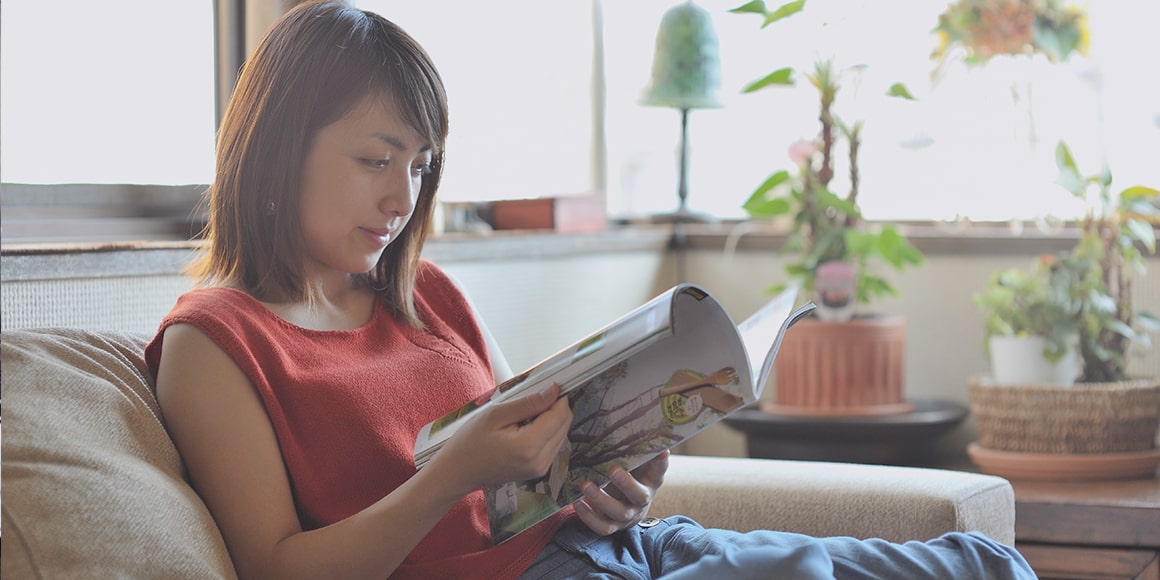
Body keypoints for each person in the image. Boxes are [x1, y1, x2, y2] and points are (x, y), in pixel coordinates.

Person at [145, 2, 1037, 578]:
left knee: (984, 566)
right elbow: (273, 571)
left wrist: (616, 477)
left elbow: (520, 480)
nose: (401, 197)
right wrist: (448, 476)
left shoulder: (428, 297)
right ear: (274, 149)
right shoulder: (215, 343)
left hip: (626, 549)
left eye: (419, 167)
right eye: (375, 160)